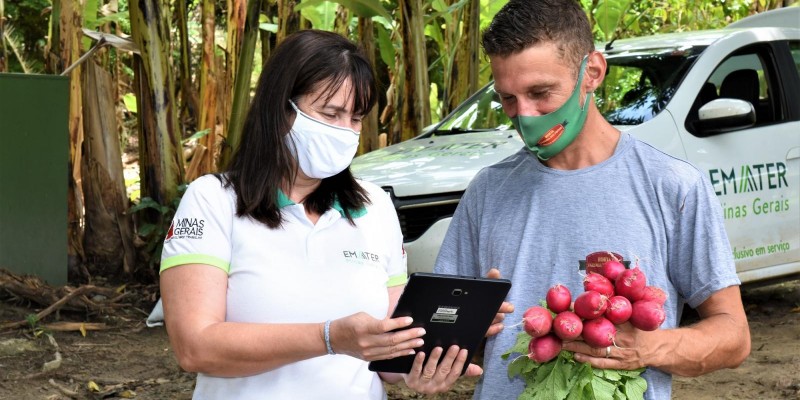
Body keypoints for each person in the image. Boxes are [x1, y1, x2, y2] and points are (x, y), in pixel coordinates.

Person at [432, 0, 751, 399]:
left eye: (540, 93)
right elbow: (439, 333)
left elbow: (733, 336)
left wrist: (649, 347)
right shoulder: (489, 190)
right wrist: (471, 327)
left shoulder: (673, 186)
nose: (525, 115)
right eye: (509, 99)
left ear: (593, 73)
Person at [159, 29, 482, 399]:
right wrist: (328, 338)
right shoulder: (213, 200)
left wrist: (431, 356)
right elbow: (195, 347)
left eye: (356, 118)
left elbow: (389, 351)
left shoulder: (374, 208)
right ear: (281, 110)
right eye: (331, 114)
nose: (345, 132)